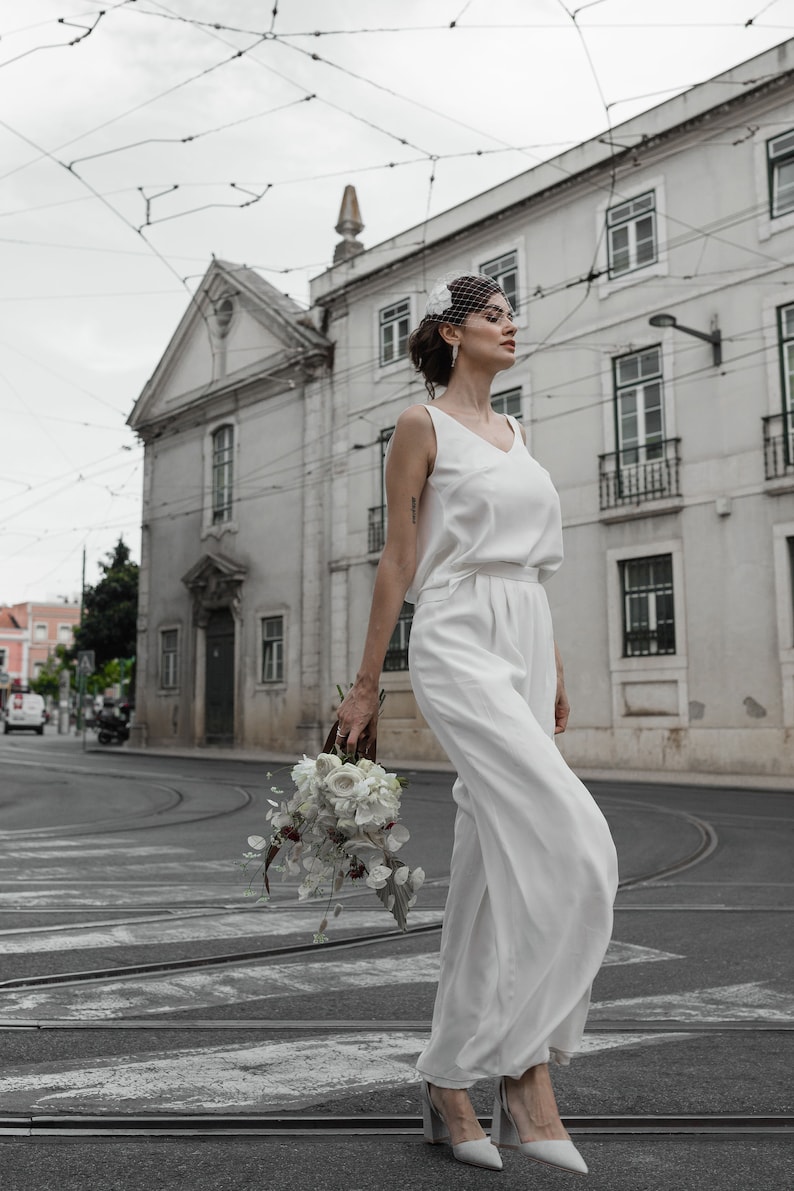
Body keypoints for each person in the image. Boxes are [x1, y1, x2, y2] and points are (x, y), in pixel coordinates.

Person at [336, 272, 618, 1174]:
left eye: (511, 315)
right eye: (494, 316)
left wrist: (558, 667)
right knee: (578, 843)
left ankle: (448, 1077)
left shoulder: (517, 433)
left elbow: (535, 569)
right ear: (453, 335)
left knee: (490, 868)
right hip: (457, 633)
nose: (511, 326)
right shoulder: (422, 425)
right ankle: (527, 1071)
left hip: (526, 638)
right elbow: (399, 558)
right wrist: (366, 684)